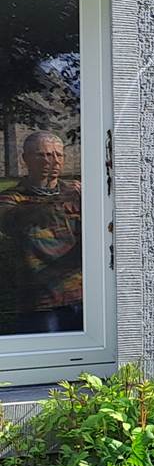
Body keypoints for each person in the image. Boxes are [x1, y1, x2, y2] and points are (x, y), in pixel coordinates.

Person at [0, 130, 84, 334]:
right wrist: (60, 201)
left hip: (83, 295)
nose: (52, 160)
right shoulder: (12, 198)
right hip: (40, 301)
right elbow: (13, 221)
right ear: (25, 159)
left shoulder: (77, 193)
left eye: (58, 154)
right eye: (43, 154)